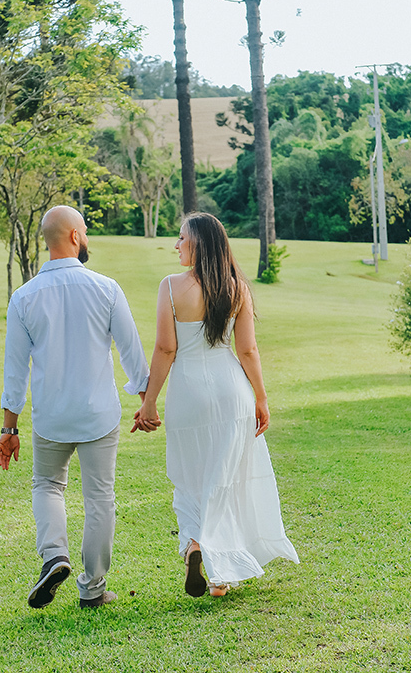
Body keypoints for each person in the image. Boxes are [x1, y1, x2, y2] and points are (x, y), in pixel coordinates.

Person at [132, 212, 299, 597]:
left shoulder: (170, 287)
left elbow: (165, 349)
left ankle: (196, 543)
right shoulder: (237, 288)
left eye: (182, 238)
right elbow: (248, 350)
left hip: (188, 394)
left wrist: (149, 402)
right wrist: (261, 397)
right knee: (225, 479)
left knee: (191, 475)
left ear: (200, 243)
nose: (176, 245)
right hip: (231, 393)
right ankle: (220, 574)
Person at [0, 205, 150, 610]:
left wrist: (9, 429)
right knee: (100, 497)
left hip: (51, 417)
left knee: (47, 486)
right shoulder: (106, 288)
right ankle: (92, 588)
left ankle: (54, 555)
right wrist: (146, 402)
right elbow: (132, 352)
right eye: (84, 231)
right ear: (74, 236)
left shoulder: (23, 297)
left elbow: (15, 370)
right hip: (98, 413)